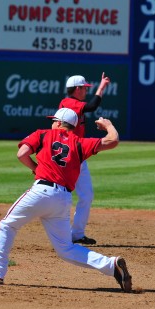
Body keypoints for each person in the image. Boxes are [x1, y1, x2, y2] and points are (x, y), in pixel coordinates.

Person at [0, 108, 132, 292]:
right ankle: (110, 265)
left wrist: (35, 167)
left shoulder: (43, 134)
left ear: (59, 122)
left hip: (41, 192)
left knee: (7, 225)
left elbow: (22, 154)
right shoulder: (80, 143)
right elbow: (112, 140)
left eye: (54, 120)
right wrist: (108, 125)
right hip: (63, 199)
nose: (52, 123)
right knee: (66, 249)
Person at [59, 73, 110, 245]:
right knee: (61, 195)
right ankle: (60, 233)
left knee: (86, 195)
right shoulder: (68, 103)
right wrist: (101, 87)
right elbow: (92, 106)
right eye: (84, 88)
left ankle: (77, 234)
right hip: (67, 157)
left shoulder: (74, 104)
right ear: (77, 88)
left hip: (78, 156)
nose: (86, 91)